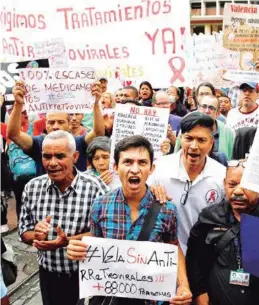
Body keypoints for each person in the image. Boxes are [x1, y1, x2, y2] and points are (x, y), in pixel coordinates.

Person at [67, 135, 192, 305]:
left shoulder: (167, 210)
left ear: (151, 168)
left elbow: (173, 247)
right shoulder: (100, 206)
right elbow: (94, 250)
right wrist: (78, 250)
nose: (135, 169)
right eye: (128, 162)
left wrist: (183, 285)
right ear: (116, 167)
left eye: (142, 162)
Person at [19, 130, 108, 305]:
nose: (52, 163)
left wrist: (68, 241)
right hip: (48, 277)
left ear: (75, 157)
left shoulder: (95, 188)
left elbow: (106, 233)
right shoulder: (32, 187)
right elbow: (24, 231)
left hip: (86, 277)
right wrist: (36, 236)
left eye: (60, 156)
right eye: (47, 156)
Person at [148, 112, 226, 254]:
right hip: (161, 255)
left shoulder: (221, 176)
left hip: (203, 257)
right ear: (180, 138)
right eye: (189, 138)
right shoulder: (159, 168)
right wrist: (149, 191)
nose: (194, 146)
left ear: (211, 143)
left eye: (201, 140)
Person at [186, 159, 259, 305]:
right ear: (224, 183)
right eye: (232, 185)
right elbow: (195, 260)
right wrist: (201, 294)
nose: (238, 191)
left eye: (245, 186)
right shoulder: (209, 217)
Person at [7, 81, 104, 175]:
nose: (56, 126)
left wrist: (95, 104)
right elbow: (14, 134)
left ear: (69, 124)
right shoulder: (38, 143)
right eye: (51, 122)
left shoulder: (79, 142)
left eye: (61, 122)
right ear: (45, 124)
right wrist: (18, 104)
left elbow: (98, 134)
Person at [175, 95, 235, 160]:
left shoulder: (228, 132)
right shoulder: (187, 128)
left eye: (211, 108)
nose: (207, 111)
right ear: (198, 109)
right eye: (204, 106)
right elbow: (177, 153)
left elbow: (233, 159)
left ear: (217, 113)